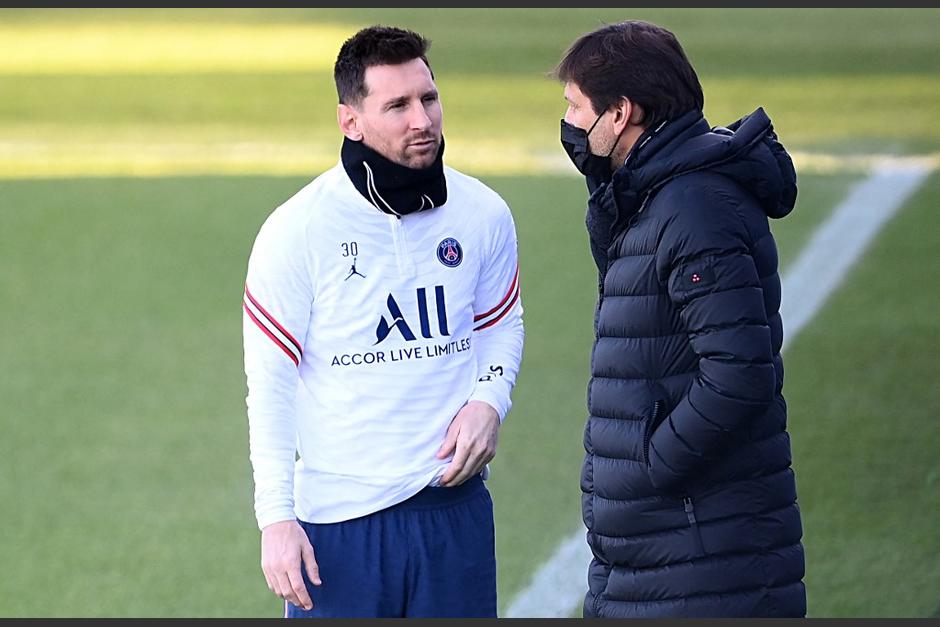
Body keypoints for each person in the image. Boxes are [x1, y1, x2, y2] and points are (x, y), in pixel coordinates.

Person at [242, 25, 524, 618]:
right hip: (338, 531)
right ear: (351, 121)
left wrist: (489, 401)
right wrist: (276, 518)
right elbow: (270, 384)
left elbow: (501, 324)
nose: (422, 120)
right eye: (397, 106)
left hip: (454, 514)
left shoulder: (483, 214)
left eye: (429, 98)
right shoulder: (296, 231)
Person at [553, 20, 805, 617]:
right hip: (659, 551)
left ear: (621, 113)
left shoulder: (693, 209)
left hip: (701, 552)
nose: (567, 123)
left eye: (576, 106)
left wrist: (648, 468)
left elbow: (739, 374)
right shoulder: (649, 198)